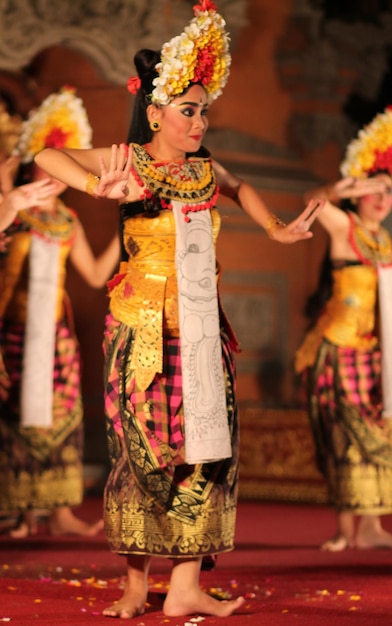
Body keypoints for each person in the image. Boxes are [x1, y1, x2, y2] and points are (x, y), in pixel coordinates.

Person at [35, 0, 323, 618]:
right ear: (157, 110)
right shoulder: (129, 159)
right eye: (188, 111)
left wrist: (274, 229)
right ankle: (137, 585)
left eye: (204, 112)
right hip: (141, 331)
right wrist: (97, 186)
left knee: (205, 446)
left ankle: (186, 585)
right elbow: (46, 158)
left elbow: (240, 185)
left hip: (200, 327)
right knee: (141, 447)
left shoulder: (202, 169)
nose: (199, 122)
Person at [0, 87, 120, 538]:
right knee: (15, 419)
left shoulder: (68, 220)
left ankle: (60, 512)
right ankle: (18, 510)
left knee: (60, 419)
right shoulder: (14, 211)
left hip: (54, 336)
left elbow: (92, 275)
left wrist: (126, 237)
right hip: (12, 330)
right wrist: (9, 194)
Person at [295, 106, 392, 552]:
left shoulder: (387, 243)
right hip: (338, 347)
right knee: (342, 435)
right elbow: (311, 201)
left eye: (389, 190)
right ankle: (344, 528)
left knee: (378, 436)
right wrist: (338, 189)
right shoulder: (345, 228)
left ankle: (372, 527)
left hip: (377, 355)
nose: (382, 197)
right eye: (375, 187)